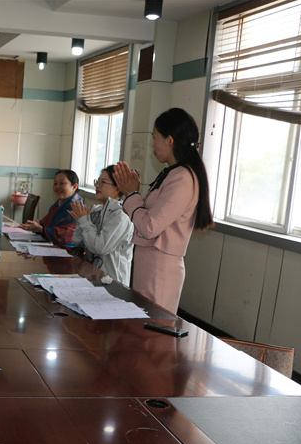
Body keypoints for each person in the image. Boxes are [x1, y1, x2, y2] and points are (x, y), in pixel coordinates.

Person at [114, 107, 214, 314]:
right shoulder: (172, 173)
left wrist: (132, 194)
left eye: (154, 137)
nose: (152, 144)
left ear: (169, 140)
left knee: (152, 326)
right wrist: (133, 194)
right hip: (149, 262)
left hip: (160, 268)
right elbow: (146, 217)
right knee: (141, 323)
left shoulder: (183, 179)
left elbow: (150, 227)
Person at [70, 165, 134, 285]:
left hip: (113, 282)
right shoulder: (97, 210)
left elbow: (100, 247)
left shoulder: (121, 216)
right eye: (97, 181)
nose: (97, 186)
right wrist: (81, 221)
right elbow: (79, 242)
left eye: (102, 182)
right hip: (93, 275)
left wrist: (84, 221)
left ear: (118, 188)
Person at [20, 170, 83, 248]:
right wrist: (37, 225)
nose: (57, 187)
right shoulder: (59, 203)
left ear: (74, 187)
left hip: (67, 251)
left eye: (62, 183)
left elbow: (67, 237)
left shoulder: (76, 208)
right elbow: (47, 222)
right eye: (55, 183)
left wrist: (41, 228)